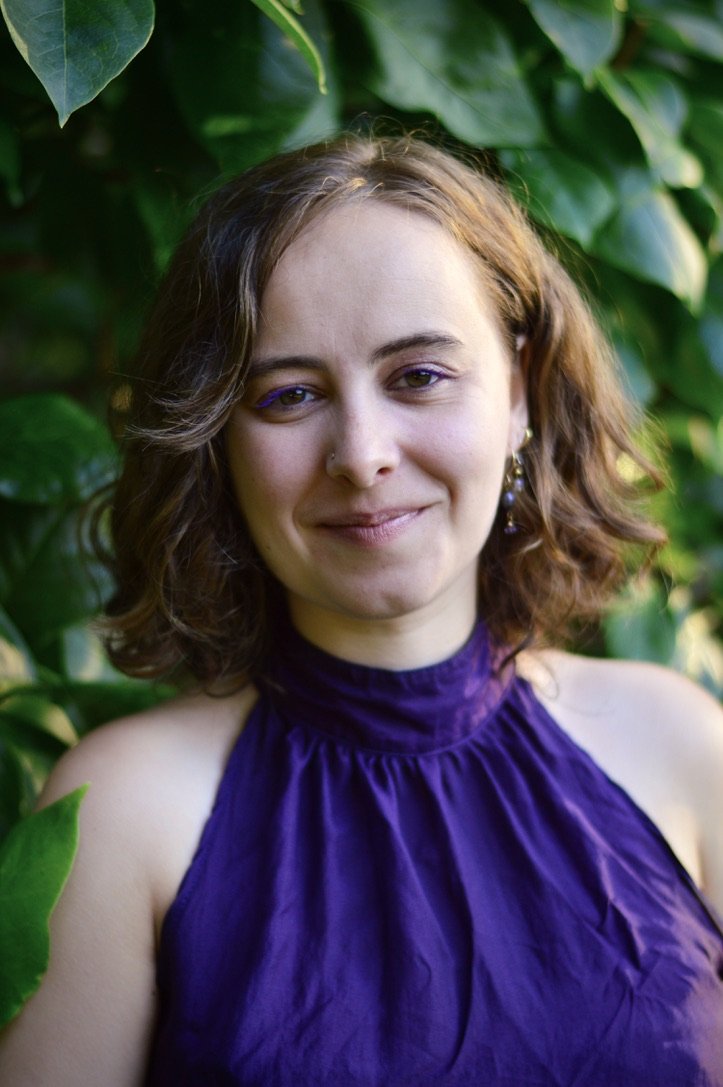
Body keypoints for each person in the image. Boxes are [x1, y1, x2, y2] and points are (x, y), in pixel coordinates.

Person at [1, 133, 722, 1086]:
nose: (363, 453)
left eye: (418, 375)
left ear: (518, 391)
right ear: (215, 440)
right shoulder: (122, 815)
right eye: (289, 395)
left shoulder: (681, 746)